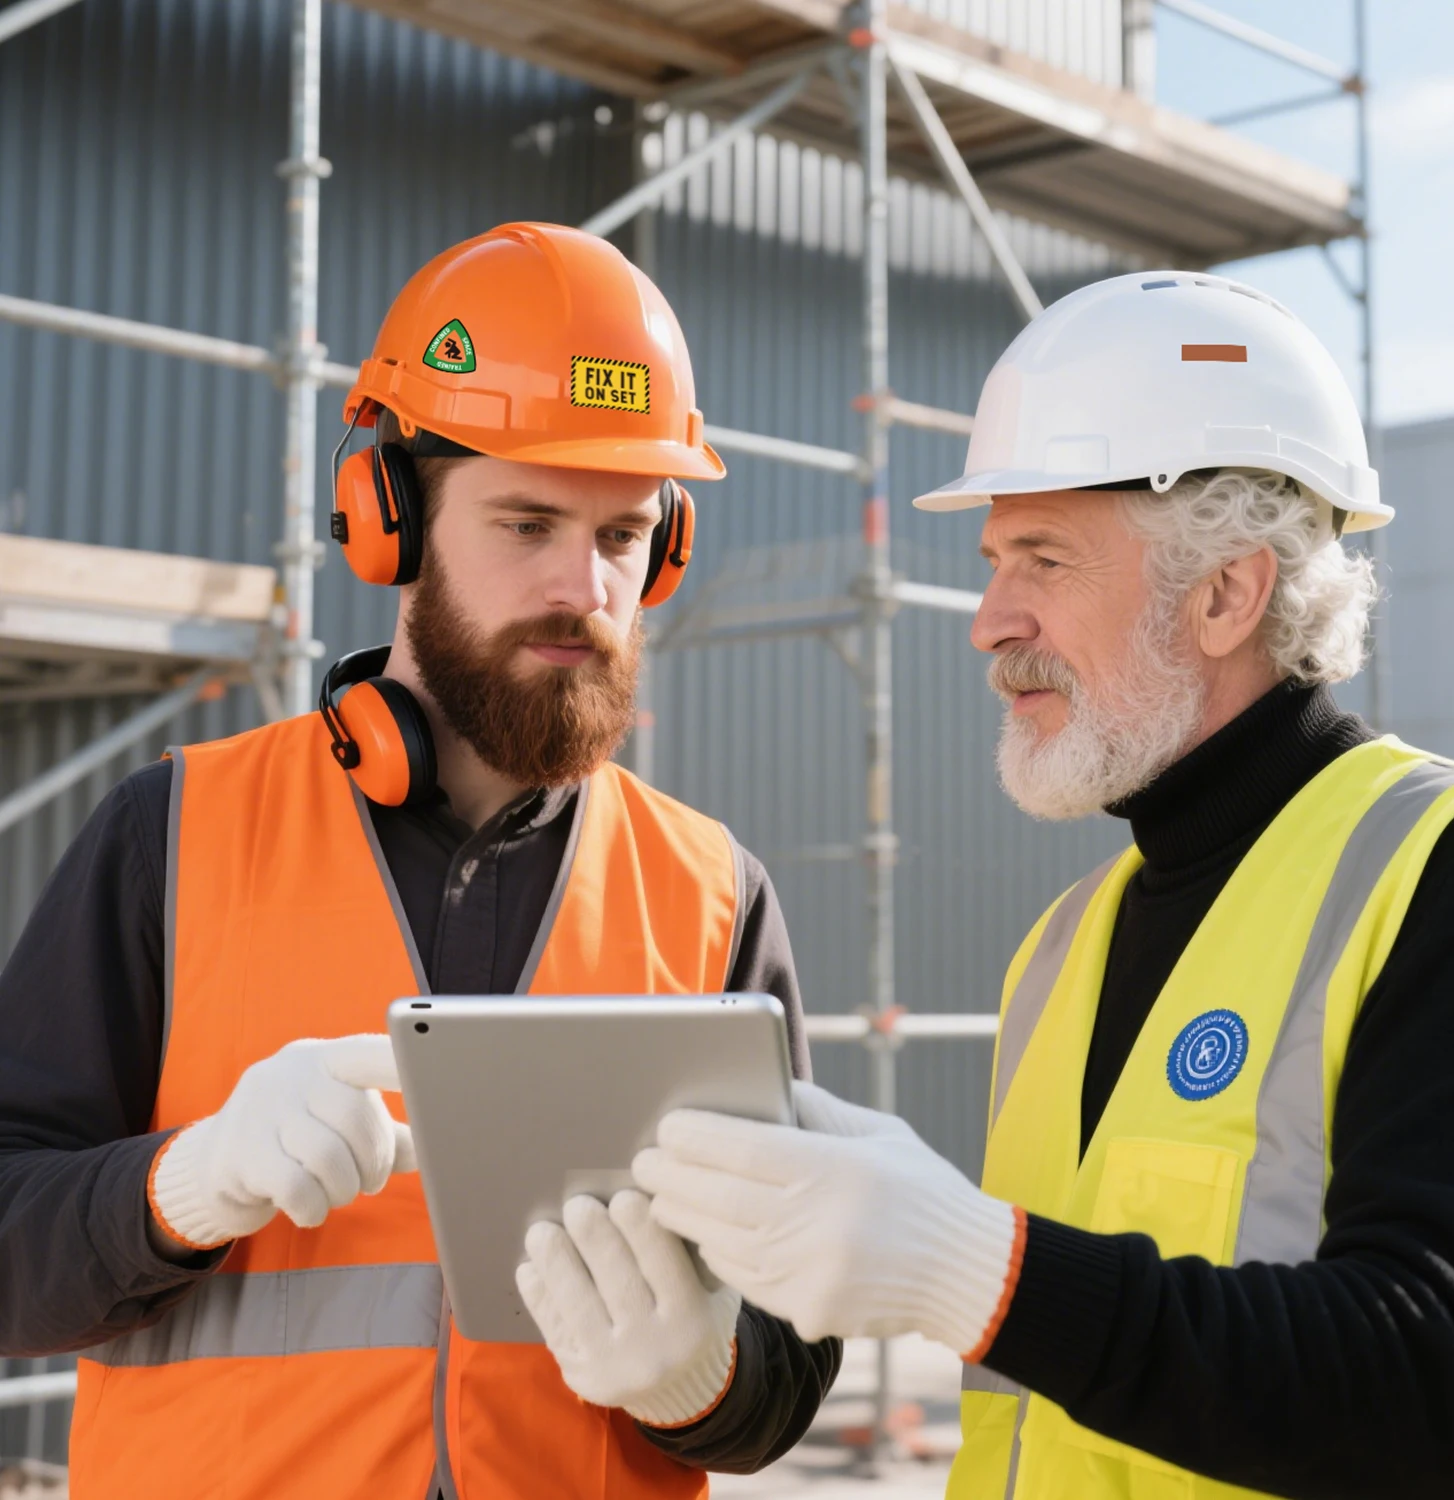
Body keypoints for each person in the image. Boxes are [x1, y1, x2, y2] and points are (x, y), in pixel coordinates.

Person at [0, 222, 838, 1500]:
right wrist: (182, 1185)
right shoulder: (170, 835)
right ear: (388, 520)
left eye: (623, 537)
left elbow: (791, 1348)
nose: (585, 590)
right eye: (526, 522)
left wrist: (705, 1379)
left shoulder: (716, 895)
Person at [634, 271, 1454, 1500]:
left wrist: (982, 1274)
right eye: (995, 562)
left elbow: (1448, 1386)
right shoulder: (1062, 946)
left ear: (1225, 592)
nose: (989, 620)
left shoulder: (1453, 874)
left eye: (1041, 557)